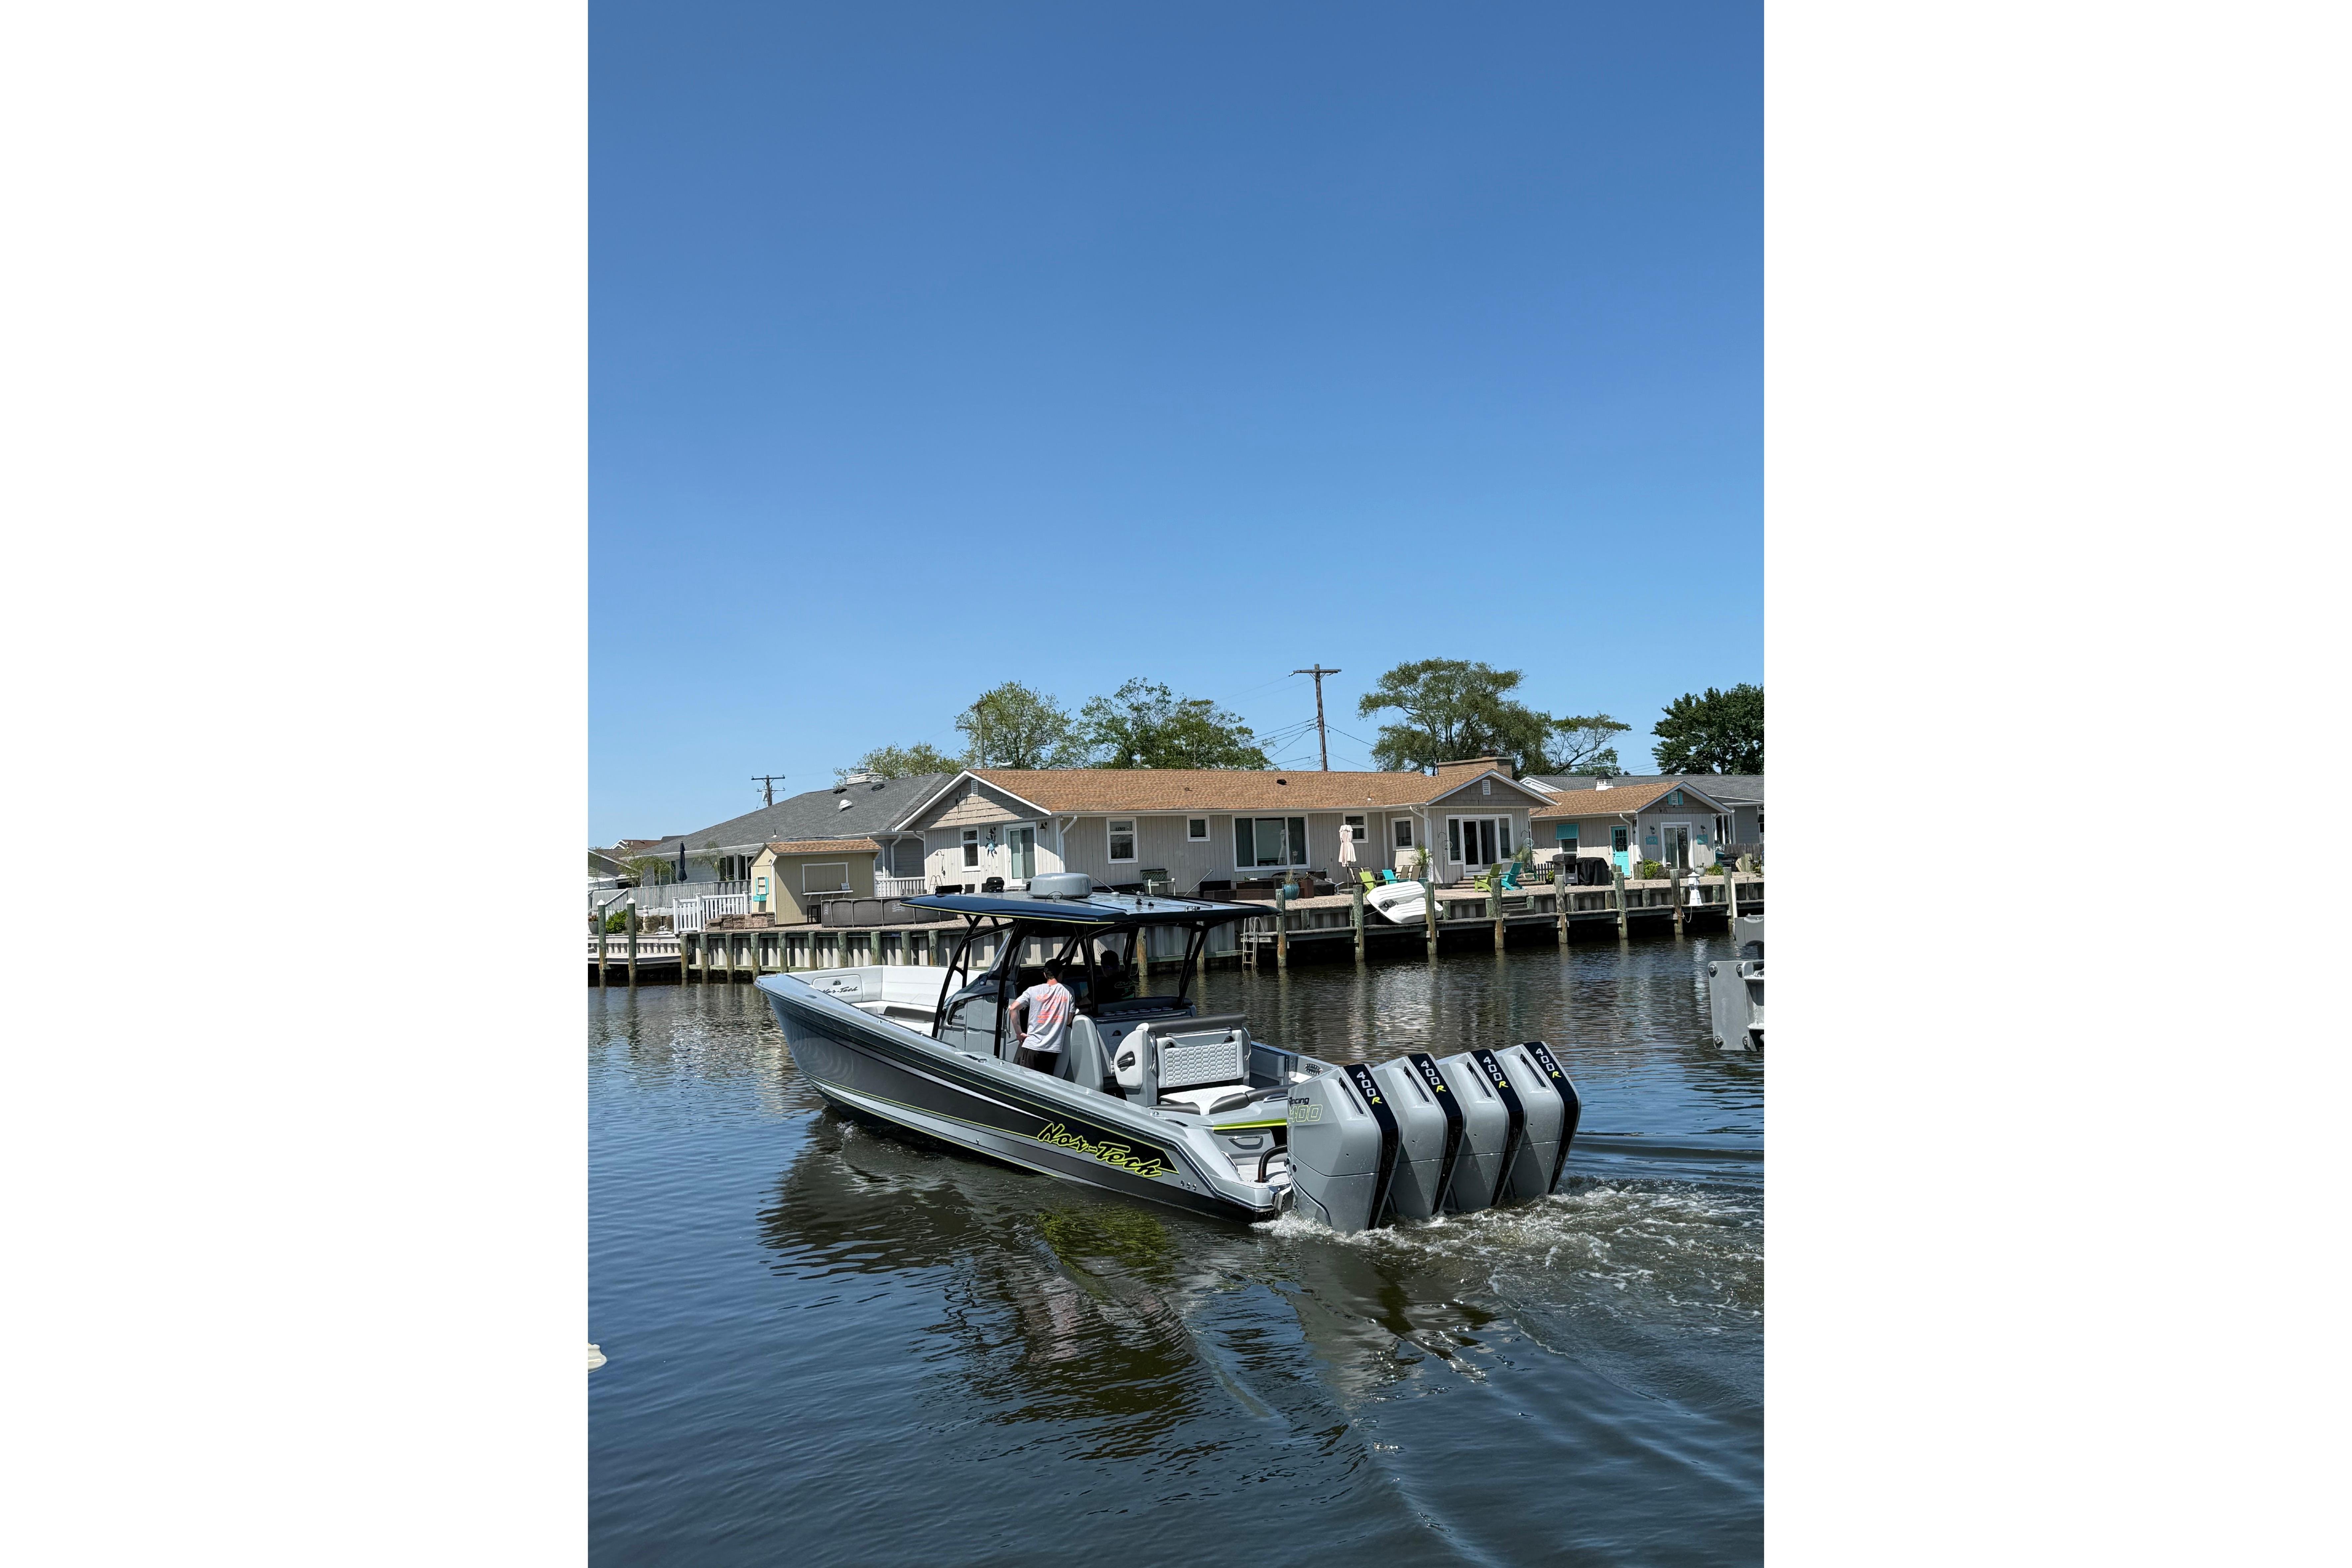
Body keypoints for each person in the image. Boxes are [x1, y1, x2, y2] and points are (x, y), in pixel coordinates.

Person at [1008, 959, 1075, 1074]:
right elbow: (1069, 1021)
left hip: (1032, 1047)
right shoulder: (1069, 992)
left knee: (1027, 1084)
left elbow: (1013, 1009)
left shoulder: (1033, 991)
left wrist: (1019, 1033)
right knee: (1045, 1086)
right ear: (1061, 974)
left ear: (1045, 975)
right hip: (1053, 1050)